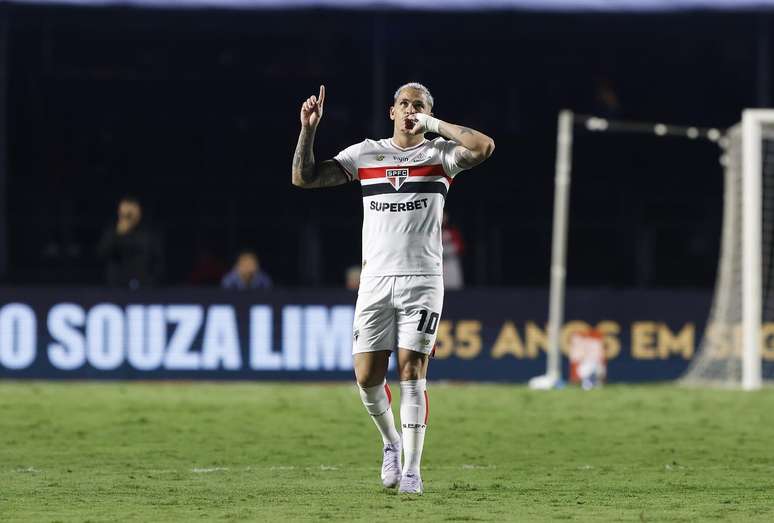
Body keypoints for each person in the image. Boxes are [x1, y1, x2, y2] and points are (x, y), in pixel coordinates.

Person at [291, 82, 494, 494]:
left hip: (422, 280)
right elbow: (304, 178)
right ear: (391, 111)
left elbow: (483, 146)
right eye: (404, 104)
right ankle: (391, 443)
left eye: (418, 105)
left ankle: (413, 471)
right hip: (375, 282)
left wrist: (434, 125)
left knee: (412, 371)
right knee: (366, 375)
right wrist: (309, 128)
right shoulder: (367, 153)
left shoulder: (439, 156)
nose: (410, 110)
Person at [97, 196, 163, 289]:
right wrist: (119, 233)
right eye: (125, 212)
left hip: (145, 288)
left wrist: (151, 282)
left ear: (139, 212)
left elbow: (158, 262)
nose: (128, 215)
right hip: (115, 288)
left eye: (131, 212)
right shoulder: (112, 232)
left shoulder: (149, 233)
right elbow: (102, 255)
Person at [442, 211, 465, 290]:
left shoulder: (453, 231)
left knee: (454, 289)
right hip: (438, 264)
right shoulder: (431, 232)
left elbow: (459, 247)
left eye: (444, 216)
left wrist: (445, 250)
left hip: (451, 263)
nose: (442, 219)